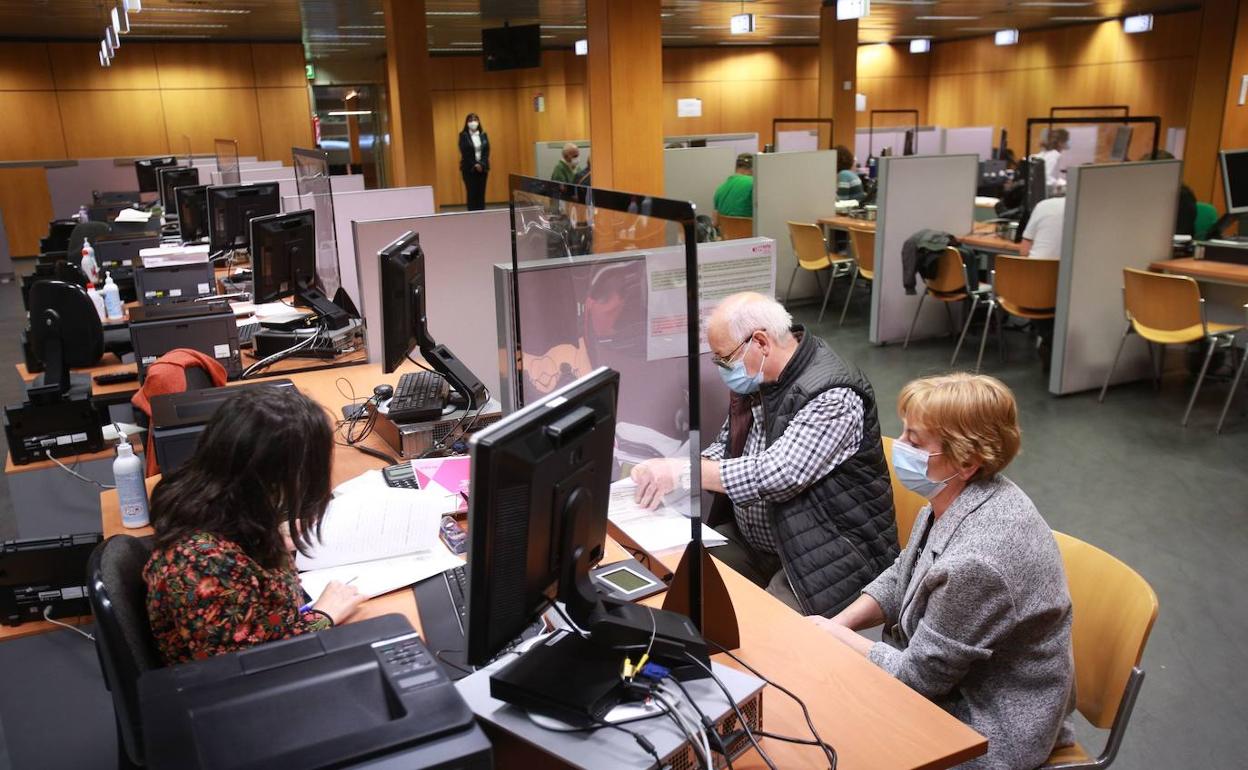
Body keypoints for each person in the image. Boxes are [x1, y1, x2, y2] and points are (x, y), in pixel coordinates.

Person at [813, 373, 1075, 770]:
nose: (899, 447)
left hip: (987, 724)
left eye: (915, 442)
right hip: (954, 683)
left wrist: (835, 638)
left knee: (830, 732)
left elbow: (918, 680)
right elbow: (906, 572)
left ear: (967, 461)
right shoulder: (954, 497)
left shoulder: (978, 562)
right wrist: (840, 624)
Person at [631, 293, 897, 616]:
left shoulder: (833, 394)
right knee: (678, 576)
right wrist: (670, 477)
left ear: (760, 342)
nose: (720, 368)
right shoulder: (759, 380)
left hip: (827, 557)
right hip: (763, 543)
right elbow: (728, 449)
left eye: (723, 359)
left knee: (761, 635)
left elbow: (776, 474)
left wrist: (684, 472)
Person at [144, 388, 363, 664]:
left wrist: (269, 537)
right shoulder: (204, 563)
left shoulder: (214, 503)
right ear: (271, 477)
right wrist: (323, 615)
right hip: (239, 692)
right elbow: (248, 666)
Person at [458, 112, 489, 211]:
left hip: (482, 169)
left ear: (479, 122)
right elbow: (464, 152)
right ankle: (472, 216)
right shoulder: (463, 135)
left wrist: (481, 164)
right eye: (470, 120)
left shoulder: (484, 135)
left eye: (475, 120)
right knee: (472, 193)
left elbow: (487, 151)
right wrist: (475, 164)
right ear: (467, 123)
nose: (473, 122)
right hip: (469, 169)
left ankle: (482, 215)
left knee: (481, 192)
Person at [711, 153, 754, 224]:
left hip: (726, 234)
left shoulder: (720, 188)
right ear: (753, 168)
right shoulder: (753, 183)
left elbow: (715, 222)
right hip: (750, 233)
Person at [1035, 128, 1069, 193]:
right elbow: (1048, 177)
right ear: (1061, 142)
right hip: (1048, 192)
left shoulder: (1044, 154)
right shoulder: (1055, 155)